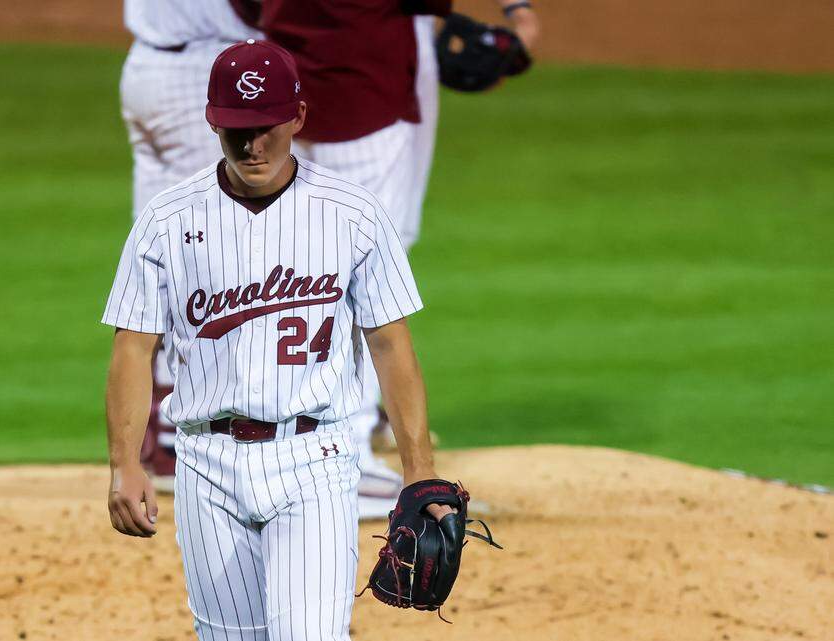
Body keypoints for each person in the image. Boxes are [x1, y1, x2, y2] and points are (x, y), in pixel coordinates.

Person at [103, 39, 455, 640]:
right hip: (205, 464)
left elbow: (391, 344)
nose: (252, 146)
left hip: (314, 459)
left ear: (297, 116)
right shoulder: (167, 221)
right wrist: (124, 464)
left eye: (265, 126)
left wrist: (419, 474)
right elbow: (133, 348)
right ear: (212, 121)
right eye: (237, 129)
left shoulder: (352, 214)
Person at [229, 0, 541, 515]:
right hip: (365, 97)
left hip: (287, 100)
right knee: (358, 277)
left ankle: (281, 436)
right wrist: (519, 18)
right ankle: (341, 456)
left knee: (288, 270)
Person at [119, 0, 261, 491]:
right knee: (219, 255)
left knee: (163, 249)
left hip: (145, 67)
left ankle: (159, 433)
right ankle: (180, 432)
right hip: (209, 70)